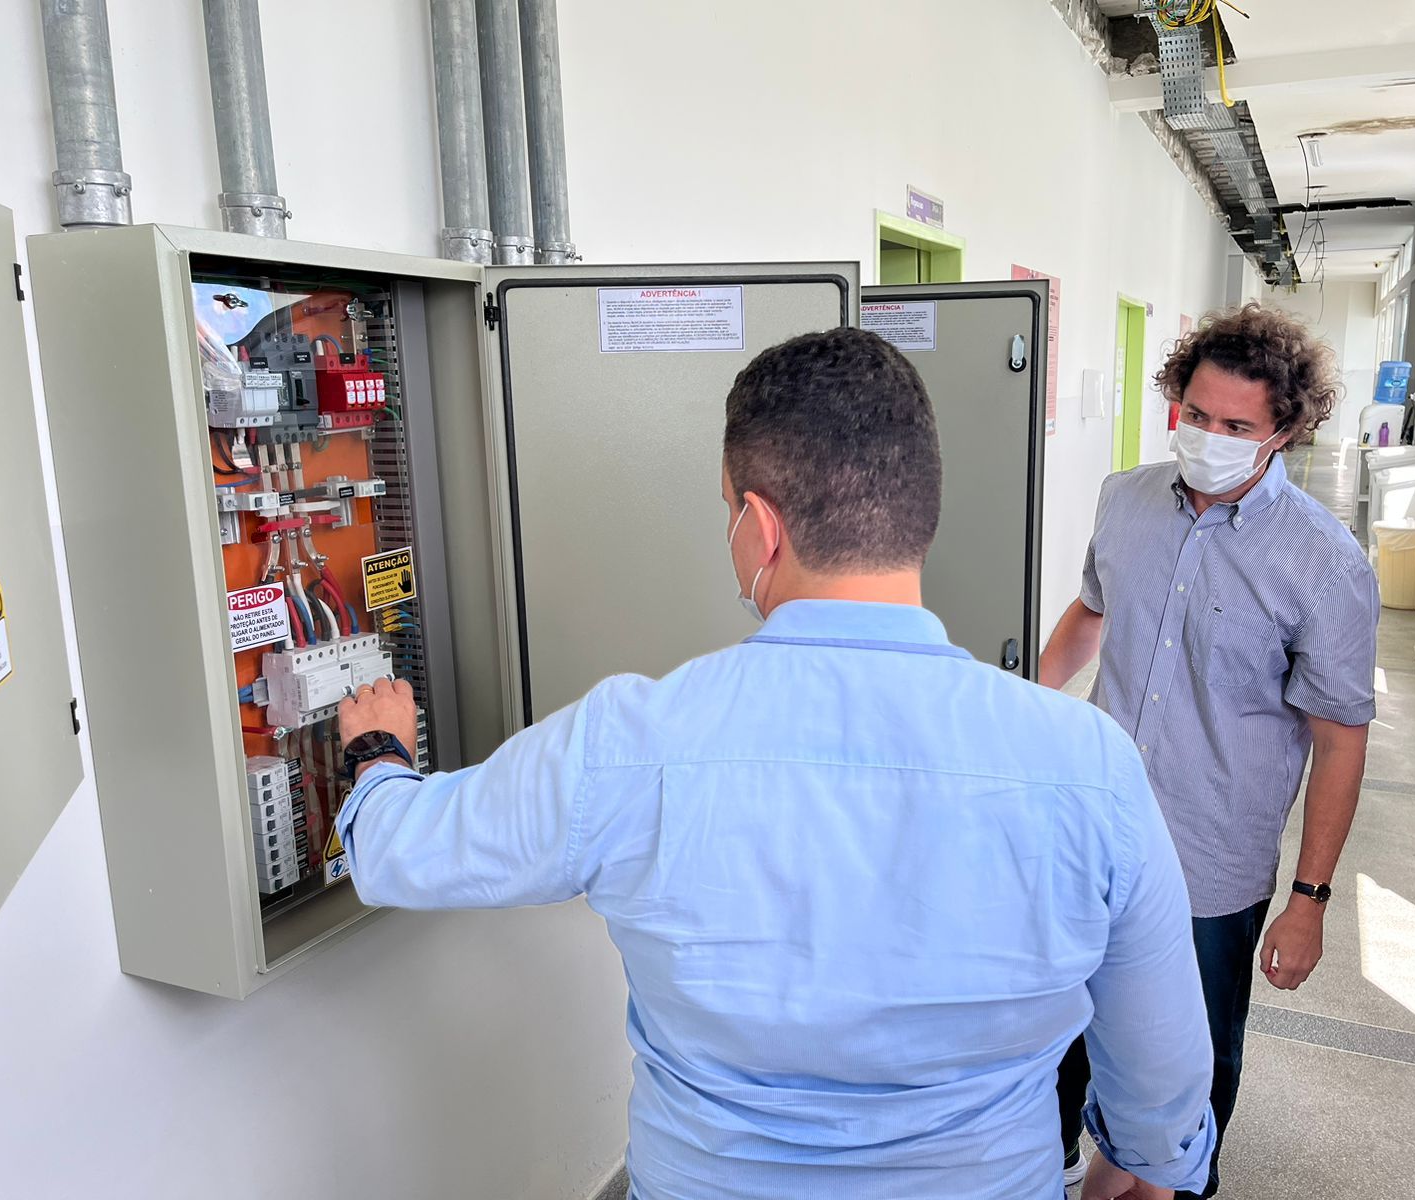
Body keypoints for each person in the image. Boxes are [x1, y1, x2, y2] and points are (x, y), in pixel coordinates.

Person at [334, 328, 1216, 1200]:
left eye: (728, 509)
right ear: (919, 514)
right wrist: (1140, 1159)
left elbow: (400, 851)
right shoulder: (1087, 762)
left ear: (760, 527)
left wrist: (378, 748)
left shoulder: (630, 739)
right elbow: (1162, 1049)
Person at [1043, 304, 1379, 1199]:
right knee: (1060, 1030)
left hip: (1211, 863)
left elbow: (1340, 736)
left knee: (1185, 1066)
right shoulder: (1125, 499)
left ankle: (1177, 1184)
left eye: (1236, 427)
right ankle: (1056, 1164)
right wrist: (1023, 709)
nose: (1209, 437)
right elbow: (1091, 611)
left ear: (1284, 433)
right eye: (1197, 414)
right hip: (1094, 833)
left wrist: (1308, 900)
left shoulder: (1324, 561)